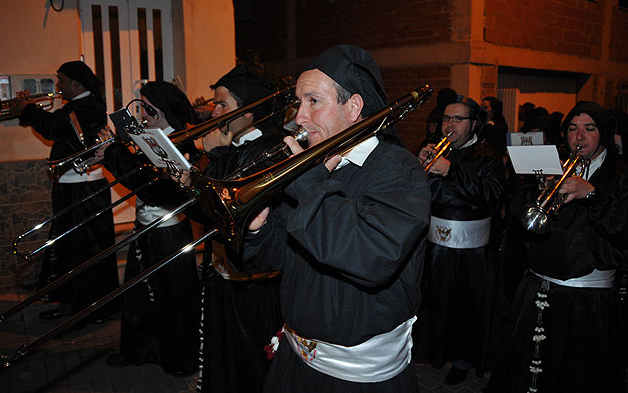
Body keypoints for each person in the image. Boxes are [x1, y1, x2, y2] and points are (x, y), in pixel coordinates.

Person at [241, 45, 431, 392]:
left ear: (354, 106)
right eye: (298, 103)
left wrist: (311, 184)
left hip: (357, 379)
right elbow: (282, 258)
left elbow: (372, 256)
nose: (299, 116)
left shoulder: (401, 171)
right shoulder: (312, 170)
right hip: (294, 360)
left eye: (313, 101)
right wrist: (259, 229)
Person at [485, 101, 628, 393]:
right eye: (573, 129)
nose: (580, 136)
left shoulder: (620, 173)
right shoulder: (553, 165)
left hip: (590, 300)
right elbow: (514, 210)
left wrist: (592, 195)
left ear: (604, 133)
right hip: (539, 289)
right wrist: (539, 189)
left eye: (590, 128)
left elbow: (622, 227)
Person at [190, 64, 287, 393]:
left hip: (253, 284)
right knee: (221, 355)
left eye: (222, 105)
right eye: (215, 103)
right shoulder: (227, 144)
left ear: (248, 112)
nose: (213, 111)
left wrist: (216, 153)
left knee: (251, 361)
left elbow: (236, 204)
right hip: (219, 269)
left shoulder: (272, 146)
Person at [100, 81, 201, 376]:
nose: (141, 112)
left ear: (160, 109)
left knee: (171, 297)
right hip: (146, 226)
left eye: (145, 106)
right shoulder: (150, 136)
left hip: (168, 231)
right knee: (138, 294)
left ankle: (180, 357)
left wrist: (112, 155)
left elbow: (147, 186)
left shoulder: (179, 142)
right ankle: (141, 349)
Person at [16, 61, 119, 323]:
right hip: (71, 186)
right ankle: (74, 304)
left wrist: (28, 109)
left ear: (77, 83)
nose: (58, 86)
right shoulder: (77, 107)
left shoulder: (88, 107)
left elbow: (53, 128)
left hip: (82, 188)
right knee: (69, 248)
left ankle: (87, 307)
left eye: (61, 80)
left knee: (82, 250)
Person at [416, 96, 506, 385]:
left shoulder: (488, 156)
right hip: (437, 246)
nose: (449, 125)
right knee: (437, 302)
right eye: (446, 119)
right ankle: (437, 353)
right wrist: (420, 169)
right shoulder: (434, 151)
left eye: (457, 119)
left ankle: (465, 360)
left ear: (474, 123)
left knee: (469, 307)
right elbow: (427, 196)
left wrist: (452, 173)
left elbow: (491, 197)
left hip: (472, 251)